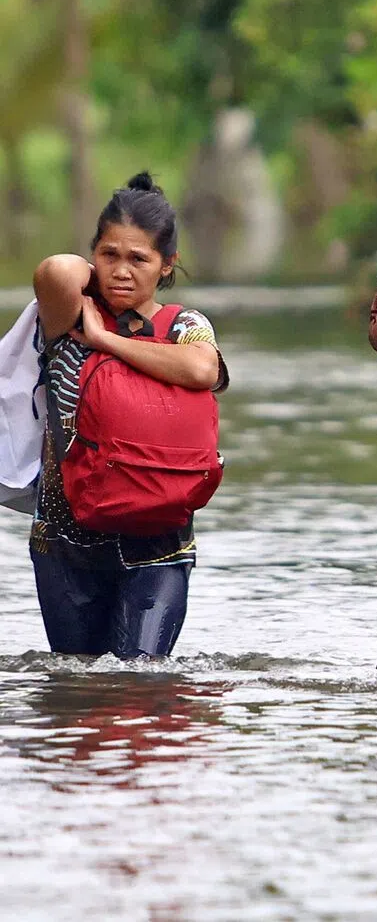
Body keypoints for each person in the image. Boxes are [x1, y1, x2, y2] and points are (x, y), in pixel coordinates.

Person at [30, 173, 228, 659]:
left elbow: (204, 369)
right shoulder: (68, 315)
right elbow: (56, 268)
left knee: (140, 683)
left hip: (158, 546)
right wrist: (90, 300)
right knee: (79, 691)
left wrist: (105, 342)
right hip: (66, 542)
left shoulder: (186, 325)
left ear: (167, 266)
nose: (122, 271)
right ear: (93, 254)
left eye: (139, 259)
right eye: (109, 255)